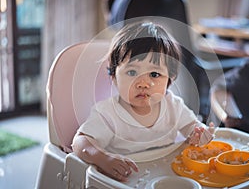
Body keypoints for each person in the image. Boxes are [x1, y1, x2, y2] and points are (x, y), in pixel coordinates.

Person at [72, 22, 215, 182]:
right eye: (132, 72)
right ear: (114, 77)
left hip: (165, 177)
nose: (143, 83)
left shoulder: (173, 106)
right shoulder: (108, 113)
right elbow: (80, 141)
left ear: (170, 78)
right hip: (125, 180)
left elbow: (191, 127)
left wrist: (199, 134)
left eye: (154, 74)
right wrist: (104, 159)